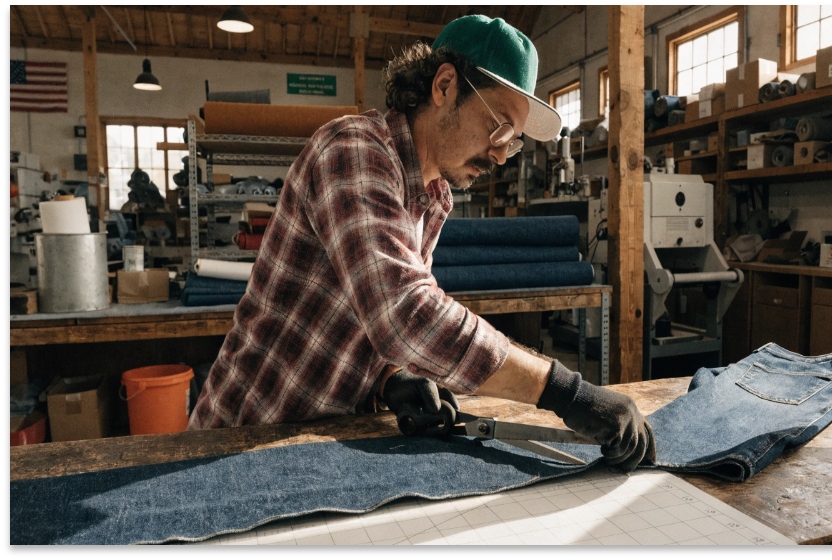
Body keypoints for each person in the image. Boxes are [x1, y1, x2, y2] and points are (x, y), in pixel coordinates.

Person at [189, 15, 655, 472]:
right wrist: (566, 392)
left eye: (512, 142)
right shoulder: (353, 151)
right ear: (445, 85)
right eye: (498, 127)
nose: (499, 154)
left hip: (316, 444)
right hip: (238, 441)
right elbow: (404, 314)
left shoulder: (433, 197)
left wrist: (391, 378)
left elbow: (370, 321)